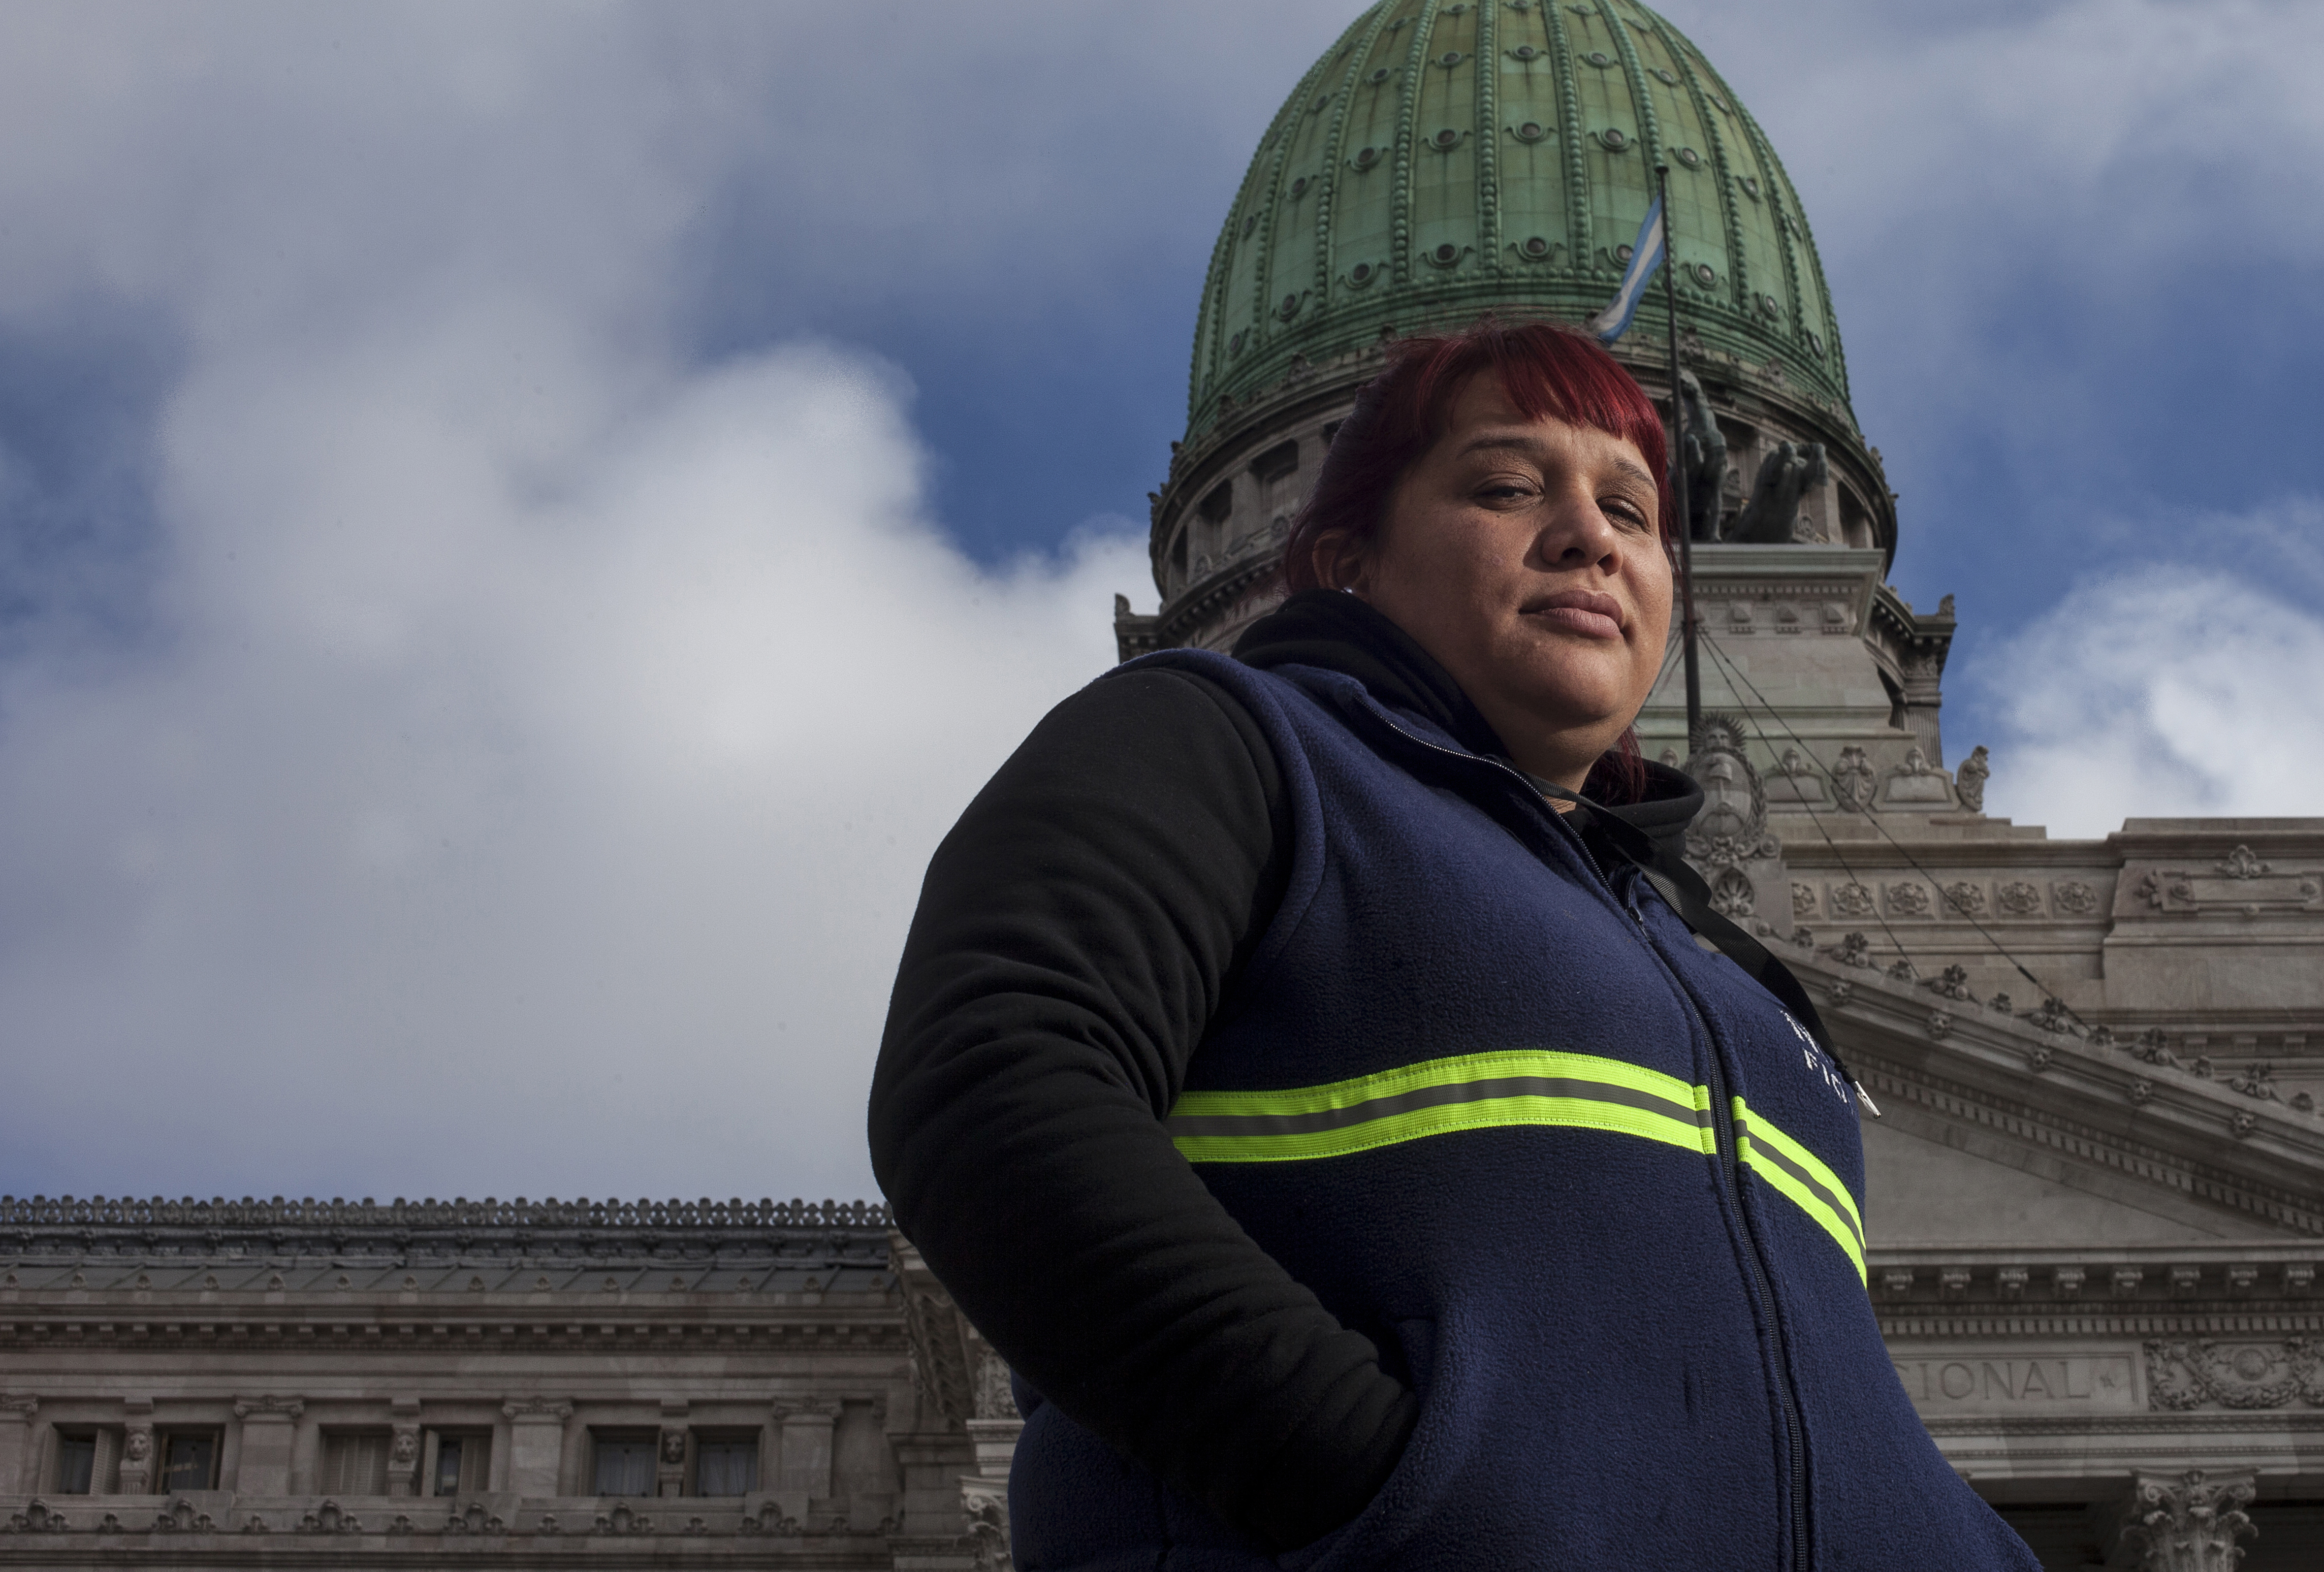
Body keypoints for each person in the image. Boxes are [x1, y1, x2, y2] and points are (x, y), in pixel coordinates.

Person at [867, 322, 2036, 1570]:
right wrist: (1400, 1501)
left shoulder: (1721, 972)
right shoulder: (1231, 744)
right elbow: (993, 1084)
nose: (1589, 536)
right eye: (1507, 486)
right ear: (1347, 564)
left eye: (1634, 511)